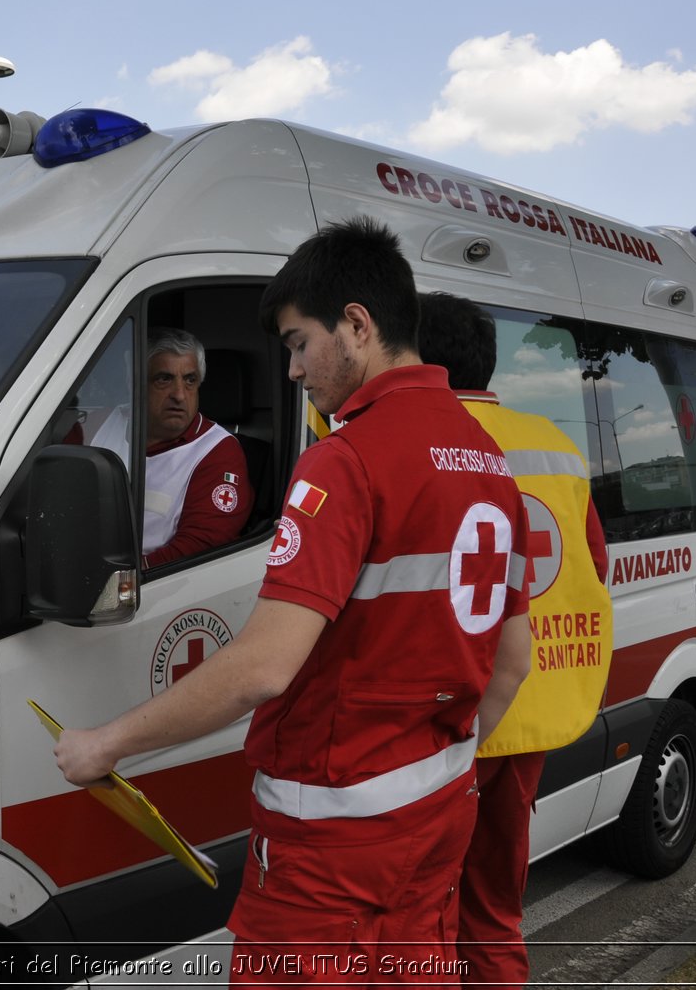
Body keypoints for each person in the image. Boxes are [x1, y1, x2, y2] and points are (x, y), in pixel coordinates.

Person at [54, 218, 532, 985]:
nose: (293, 369)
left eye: (299, 342)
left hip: (329, 845)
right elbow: (512, 663)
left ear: (357, 325)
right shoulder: (488, 460)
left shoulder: (345, 461)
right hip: (440, 810)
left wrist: (106, 745)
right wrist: (435, 768)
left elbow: (263, 668)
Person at [416, 292, 613, 990]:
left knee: (428, 911)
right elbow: (595, 561)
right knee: (496, 908)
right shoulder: (557, 444)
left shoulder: (421, 438)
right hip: (531, 710)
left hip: (452, 716)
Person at [87, 328, 253, 567]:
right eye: (163, 379)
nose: (179, 395)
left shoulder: (216, 451)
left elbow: (200, 546)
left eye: (189, 380)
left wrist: (126, 575)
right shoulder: (97, 424)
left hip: (153, 586)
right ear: (134, 382)